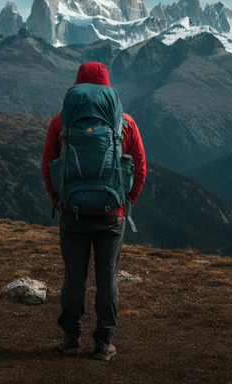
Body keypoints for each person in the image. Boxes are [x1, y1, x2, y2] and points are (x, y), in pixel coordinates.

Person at [42, 62, 146, 361]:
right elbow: (139, 168)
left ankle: (71, 338)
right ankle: (103, 342)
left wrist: (59, 201)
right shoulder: (125, 123)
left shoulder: (60, 123)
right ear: (107, 88)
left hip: (72, 213)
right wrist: (126, 203)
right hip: (111, 215)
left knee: (74, 278)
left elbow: (49, 168)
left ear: (77, 86)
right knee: (107, 278)